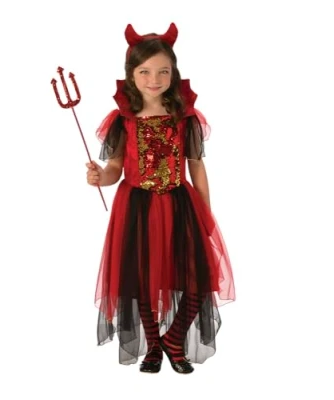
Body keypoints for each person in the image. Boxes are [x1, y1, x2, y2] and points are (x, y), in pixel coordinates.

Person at [86, 22, 235, 374]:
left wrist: (205, 212)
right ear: (131, 74)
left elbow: (196, 164)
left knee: (197, 277)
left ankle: (174, 338)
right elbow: (115, 167)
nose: (154, 79)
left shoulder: (185, 118)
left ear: (173, 73)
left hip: (180, 204)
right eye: (145, 71)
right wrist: (100, 177)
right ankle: (153, 345)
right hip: (136, 207)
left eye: (163, 71)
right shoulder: (123, 120)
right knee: (140, 280)